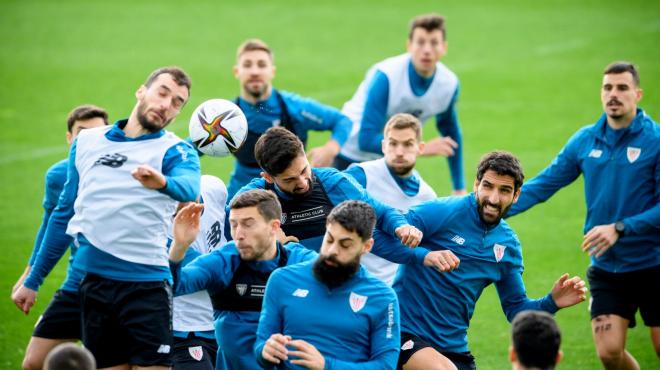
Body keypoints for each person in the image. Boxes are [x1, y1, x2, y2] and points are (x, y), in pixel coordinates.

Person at [13, 66, 201, 369]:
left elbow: (190, 187)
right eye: (162, 92)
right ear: (142, 91)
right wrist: (34, 280)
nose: (167, 104)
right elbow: (64, 215)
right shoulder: (88, 143)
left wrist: (163, 183)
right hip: (94, 285)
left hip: (147, 286)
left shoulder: (175, 150)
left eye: (178, 101)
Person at [507, 62, 659, 370]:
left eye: (622, 88)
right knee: (608, 352)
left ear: (638, 94)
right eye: (607, 88)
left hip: (653, 263)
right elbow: (543, 185)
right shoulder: (585, 140)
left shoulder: (655, 140)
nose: (613, 94)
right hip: (607, 267)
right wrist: (490, 208)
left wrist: (620, 228)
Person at [382, 151, 587, 370]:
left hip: (453, 347)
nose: (493, 198)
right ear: (476, 184)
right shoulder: (442, 212)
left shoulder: (507, 246)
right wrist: (423, 256)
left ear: (516, 195)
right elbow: (380, 234)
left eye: (504, 190)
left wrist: (552, 302)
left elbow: (516, 308)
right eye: (488, 186)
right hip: (404, 333)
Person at [169, 189, 317, 370]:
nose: (238, 234)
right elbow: (175, 285)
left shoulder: (299, 261)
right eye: (233, 224)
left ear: (274, 227)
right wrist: (179, 246)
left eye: (248, 224)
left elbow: (347, 278)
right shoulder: (224, 261)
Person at [11, 104, 108, 370]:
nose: (89, 140)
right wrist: (31, 277)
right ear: (70, 139)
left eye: (97, 133)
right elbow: (51, 225)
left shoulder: (118, 173)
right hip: (76, 283)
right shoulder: (57, 176)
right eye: (82, 133)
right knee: (33, 362)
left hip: (113, 286)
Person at [255, 200, 400, 369]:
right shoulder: (282, 280)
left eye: (345, 245)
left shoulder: (382, 297)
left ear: (366, 246)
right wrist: (266, 350)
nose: (332, 251)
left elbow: (385, 366)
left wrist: (327, 366)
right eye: (329, 240)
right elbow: (261, 345)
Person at [230, 126, 422, 251]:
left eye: (304, 170)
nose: (303, 182)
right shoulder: (250, 203)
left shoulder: (333, 183)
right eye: (290, 180)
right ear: (268, 178)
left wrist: (401, 226)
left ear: (305, 154)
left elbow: (381, 212)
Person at [334, 13, 465, 195]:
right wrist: (420, 149)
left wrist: (459, 188)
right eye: (420, 42)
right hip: (352, 154)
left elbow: (451, 134)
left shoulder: (448, 84)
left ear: (444, 47)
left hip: (395, 156)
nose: (427, 50)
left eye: (434, 43)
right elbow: (366, 138)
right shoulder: (386, 77)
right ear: (409, 45)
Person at [227, 38, 353, 198]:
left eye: (261, 64)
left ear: (272, 71)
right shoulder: (225, 117)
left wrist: (331, 149)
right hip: (243, 197)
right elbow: (195, 144)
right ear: (236, 71)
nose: (255, 72)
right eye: (247, 65)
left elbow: (342, 121)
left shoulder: (294, 108)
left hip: (292, 195)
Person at [345, 113, 436, 285]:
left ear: (421, 148)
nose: (399, 152)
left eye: (408, 144)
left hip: (393, 291)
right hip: (351, 282)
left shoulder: (428, 197)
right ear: (383, 146)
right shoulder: (361, 175)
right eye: (393, 143)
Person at [170, 175, 228, 370]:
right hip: (184, 329)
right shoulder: (156, 227)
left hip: (224, 324)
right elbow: (209, 273)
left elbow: (232, 224)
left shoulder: (214, 187)